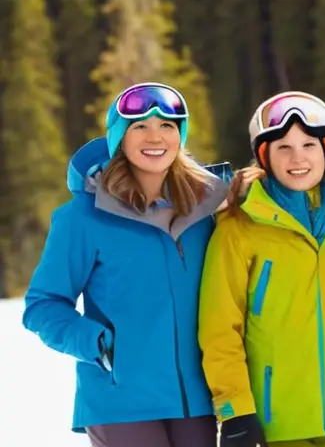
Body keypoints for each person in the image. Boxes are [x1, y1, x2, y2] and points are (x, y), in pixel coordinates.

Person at [21, 82, 227, 447]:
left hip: (197, 398)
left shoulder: (205, 211)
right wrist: (99, 345)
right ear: (118, 137)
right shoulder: (83, 217)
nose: (155, 137)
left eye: (167, 126)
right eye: (140, 126)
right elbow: (43, 305)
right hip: (120, 400)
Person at [198, 91, 325, 447]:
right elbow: (219, 329)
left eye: (308, 145)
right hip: (276, 420)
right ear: (264, 156)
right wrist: (235, 407)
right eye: (283, 147)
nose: (298, 158)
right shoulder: (240, 226)